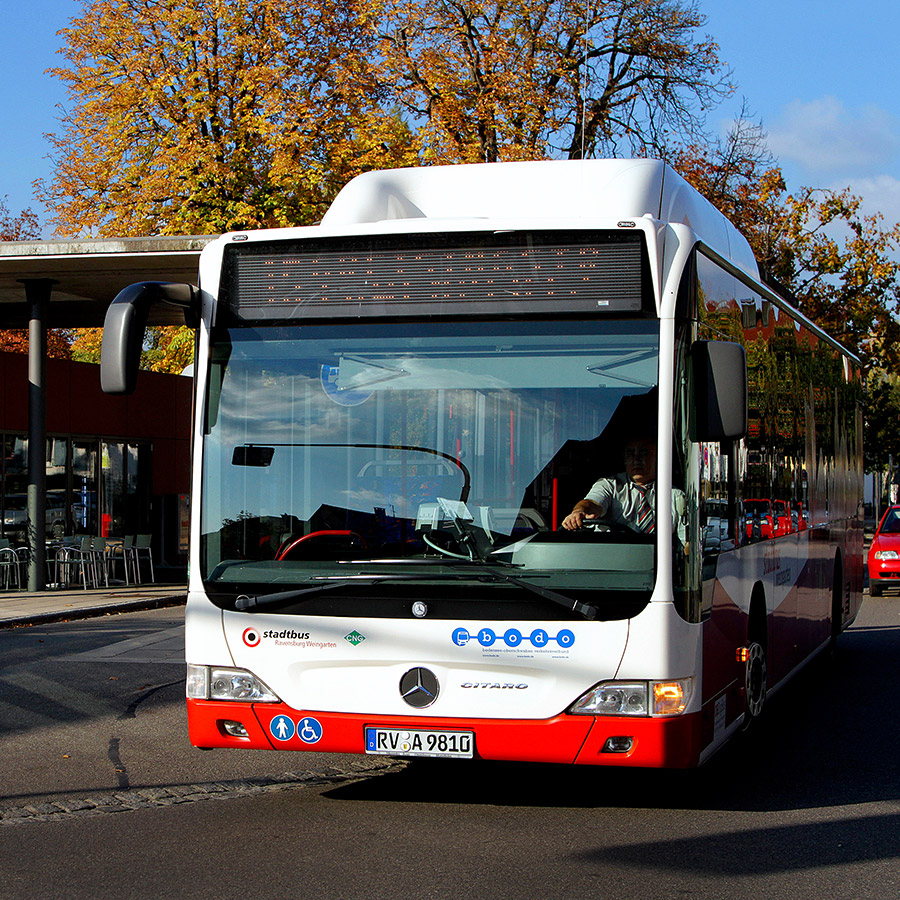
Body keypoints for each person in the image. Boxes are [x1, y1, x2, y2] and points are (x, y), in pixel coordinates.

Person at [562, 435, 661, 533]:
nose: (636, 460)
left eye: (643, 453)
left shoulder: (673, 495)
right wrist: (579, 512)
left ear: (657, 457)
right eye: (630, 454)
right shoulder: (610, 485)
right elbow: (592, 503)